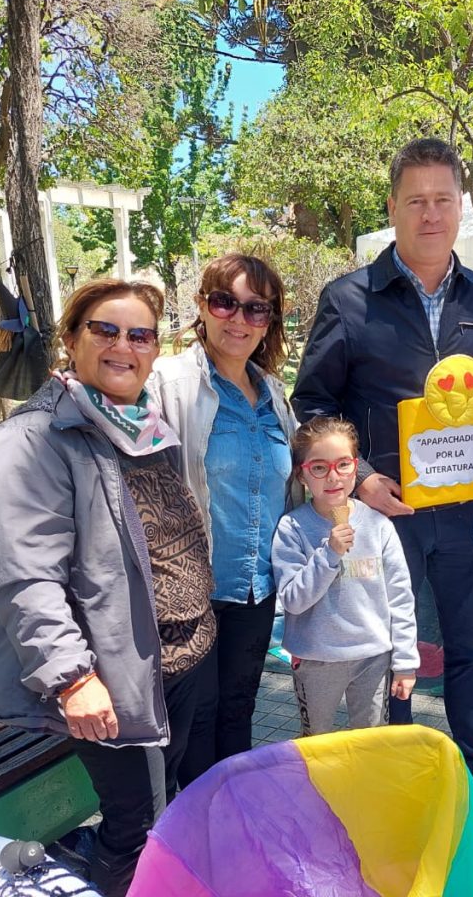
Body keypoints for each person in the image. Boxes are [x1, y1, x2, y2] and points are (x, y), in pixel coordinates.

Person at [292, 137, 473, 829]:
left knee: (472, 647)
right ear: (394, 209)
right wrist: (363, 479)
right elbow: (310, 406)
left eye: (442, 200)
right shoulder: (349, 299)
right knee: (387, 653)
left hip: (464, 513)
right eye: (415, 201)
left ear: (460, 207)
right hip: (383, 517)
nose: (430, 214)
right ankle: (394, 784)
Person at [0, 280, 218, 896]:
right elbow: (25, 578)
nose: (123, 346)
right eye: (105, 331)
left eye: (139, 335)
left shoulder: (140, 425)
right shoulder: (31, 441)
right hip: (113, 674)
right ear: (70, 339)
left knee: (163, 807)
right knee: (135, 822)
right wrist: (73, 678)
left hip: (180, 659)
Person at [150, 253, 299, 783]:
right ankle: (190, 844)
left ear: (271, 320)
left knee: (238, 715)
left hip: (256, 591)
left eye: (256, 309)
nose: (239, 319)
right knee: (193, 724)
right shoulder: (167, 383)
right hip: (192, 593)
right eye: (225, 302)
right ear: (203, 307)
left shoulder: (275, 396)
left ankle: (231, 831)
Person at [272, 417, 419, 736]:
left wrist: (405, 663)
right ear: (302, 474)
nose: (333, 477)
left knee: (370, 743)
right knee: (316, 743)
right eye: (319, 468)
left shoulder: (378, 525)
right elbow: (293, 601)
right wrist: (329, 553)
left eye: (343, 465)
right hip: (316, 659)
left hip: (373, 658)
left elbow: (400, 598)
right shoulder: (293, 529)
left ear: (356, 468)